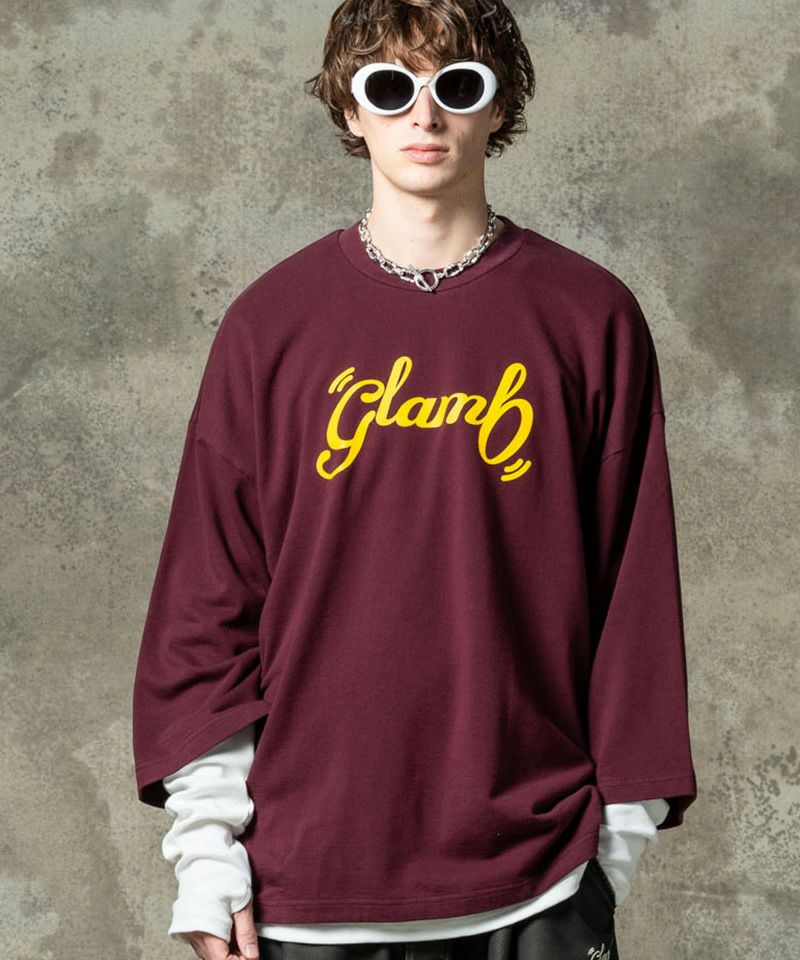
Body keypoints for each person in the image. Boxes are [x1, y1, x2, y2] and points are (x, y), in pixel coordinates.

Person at [131, 1, 698, 959]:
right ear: (351, 110)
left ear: (498, 105)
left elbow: (634, 605)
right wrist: (206, 857)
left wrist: (612, 855)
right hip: (305, 881)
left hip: (542, 882)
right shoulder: (270, 327)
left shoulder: (589, 318)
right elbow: (208, 605)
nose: (423, 115)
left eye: (456, 86)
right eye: (390, 88)